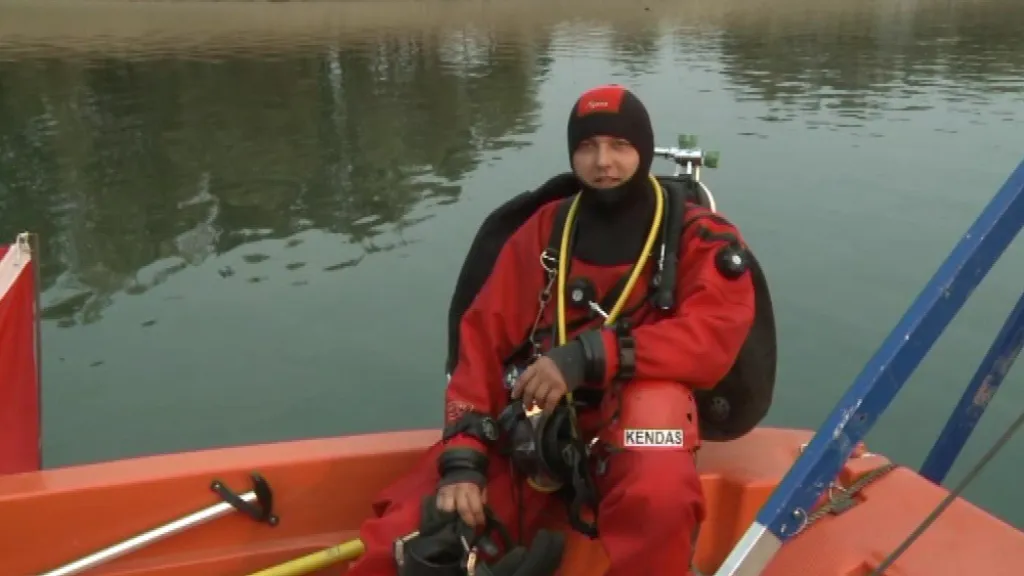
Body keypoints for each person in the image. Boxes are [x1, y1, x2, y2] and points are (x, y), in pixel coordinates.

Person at [346, 84, 770, 576]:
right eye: (587, 147)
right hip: (542, 428)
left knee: (659, 480)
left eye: (620, 146)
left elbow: (712, 338)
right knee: (406, 536)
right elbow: (481, 341)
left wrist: (590, 355)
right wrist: (463, 459)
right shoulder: (545, 229)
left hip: (638, 433)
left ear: (644, 151)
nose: (603, 161)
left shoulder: (698, 236)